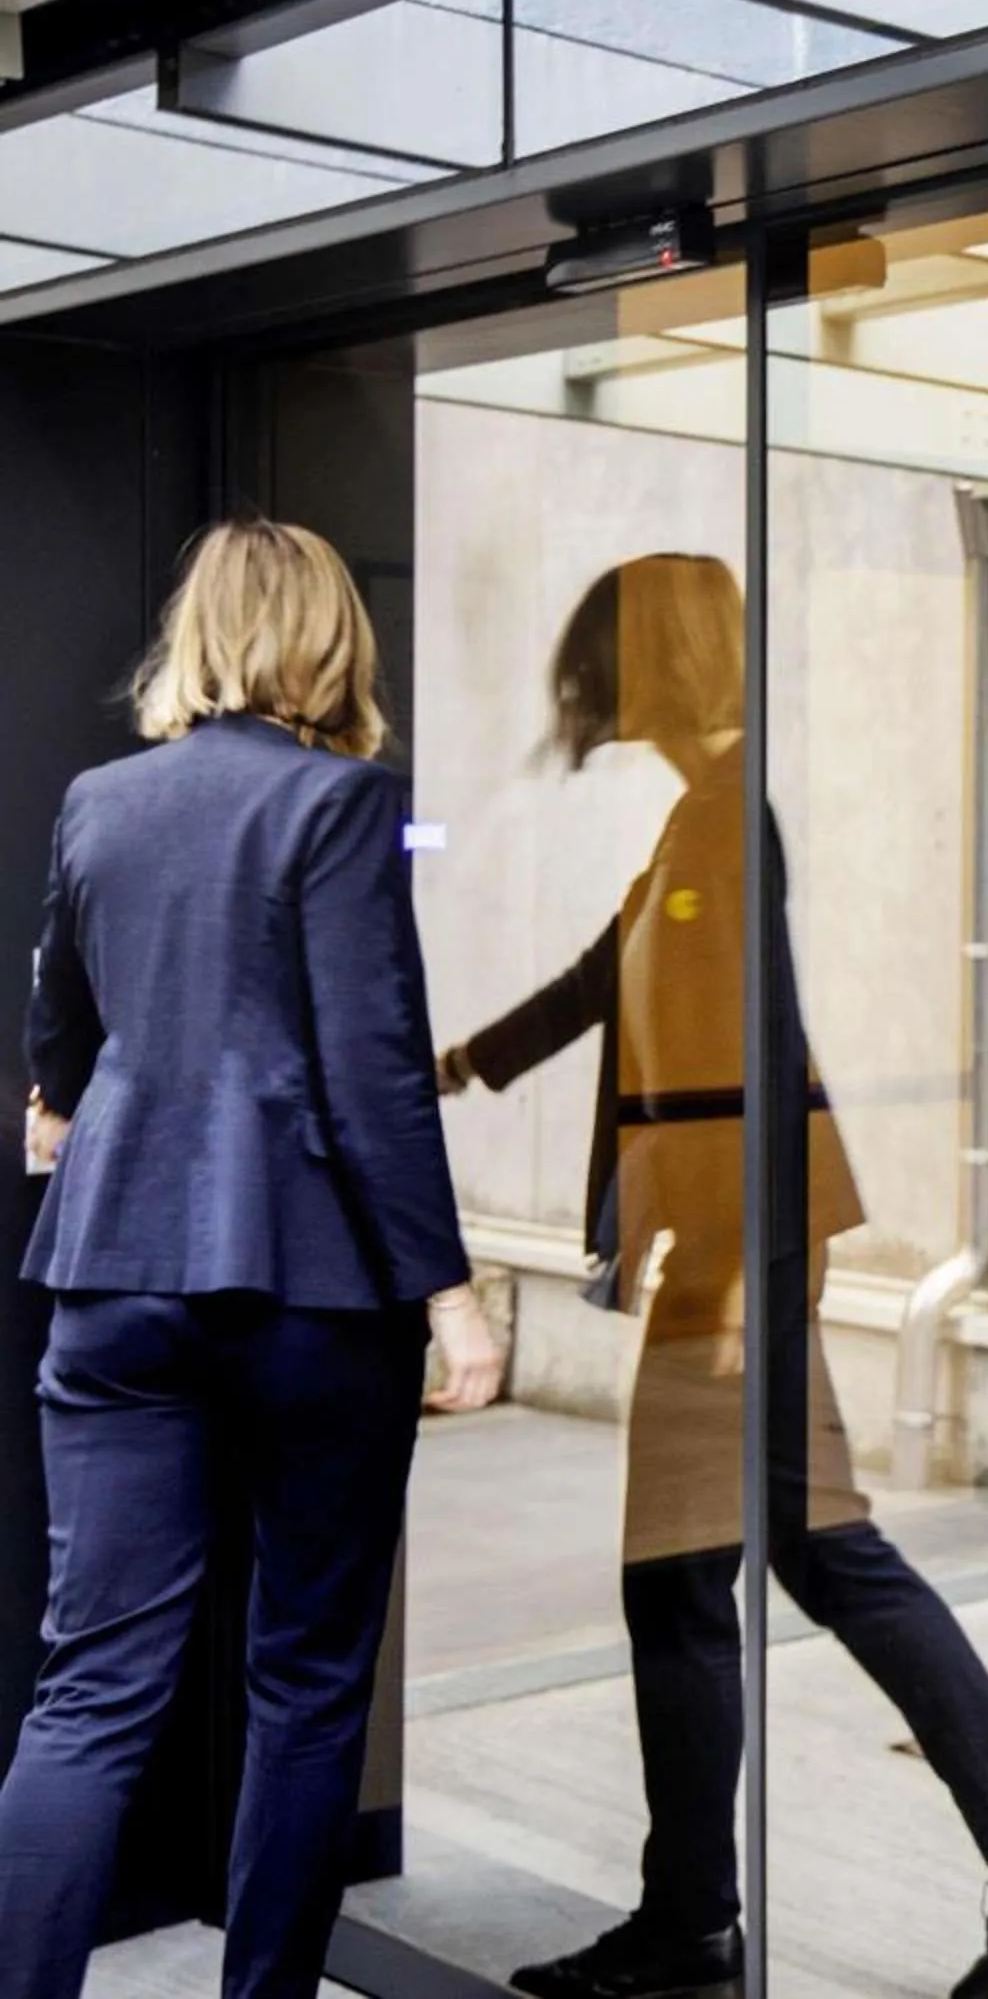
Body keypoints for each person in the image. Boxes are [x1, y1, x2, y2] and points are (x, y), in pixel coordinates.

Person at [441, 555, 988, 1999]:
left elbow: (754, 1053)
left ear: (655, 665)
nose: (586, 692)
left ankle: (707, 1922)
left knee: (691, 1584)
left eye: (606, 662)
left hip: (733, 1261)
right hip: (738, 1251)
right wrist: (457, 1062)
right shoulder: (705, 817)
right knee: (803, 1555)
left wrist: (743, 1290)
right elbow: (604, 974)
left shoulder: (726, 818)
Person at [0, 520, 505, 1999]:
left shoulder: (100, 801)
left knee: (92, 1689)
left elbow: (59, 1034)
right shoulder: (344, 804)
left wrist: (67, 1116)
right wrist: (452, 1294)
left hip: (115, 1278)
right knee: (307, 1681)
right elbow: (374, 1069)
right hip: (314, 1295)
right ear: (330, 640)